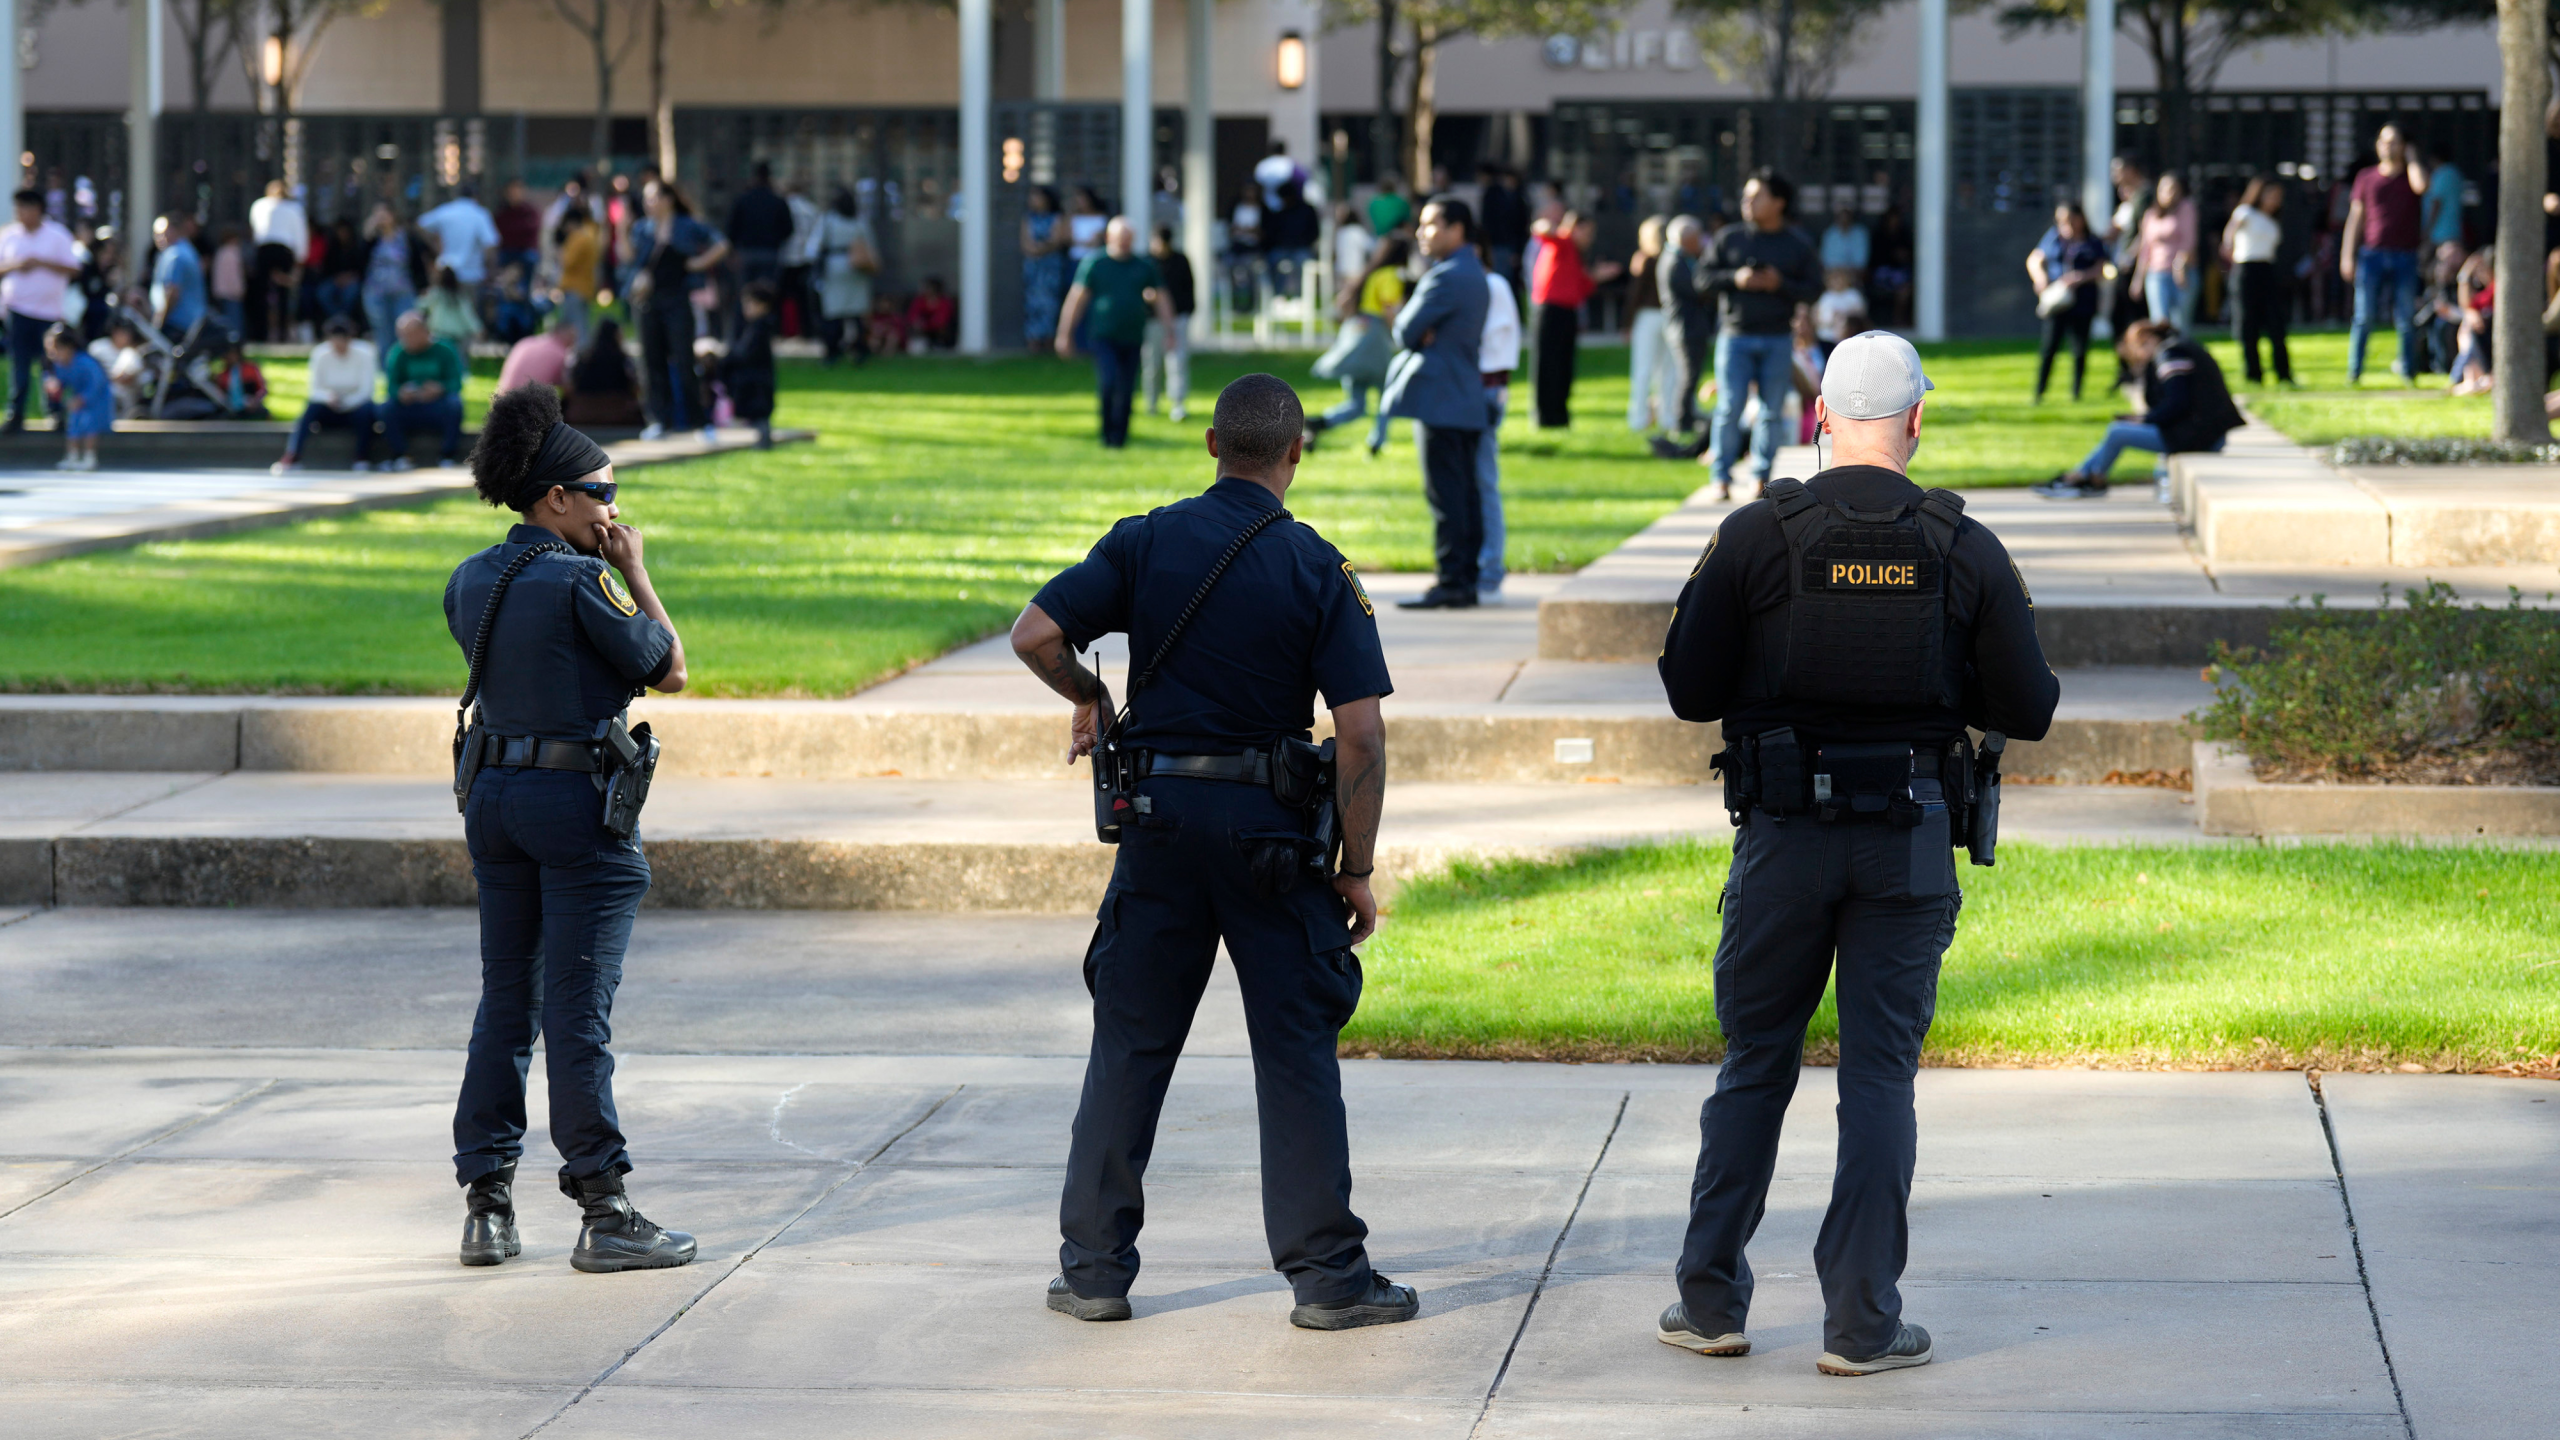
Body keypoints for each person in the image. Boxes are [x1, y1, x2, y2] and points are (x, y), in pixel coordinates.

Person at [1656, 328, 2058, 1380]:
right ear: (1917, 421)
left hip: (1784, 840)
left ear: (1819, 417)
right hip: (1909, 841)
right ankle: (1861, 1326)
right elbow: (2031, 705)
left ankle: (1709, 1304)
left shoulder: (1757, 535)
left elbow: (1690, 688)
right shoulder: (1960, 544)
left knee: (1754, 1066)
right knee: (1878, 1077)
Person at [1007, 370, 1414, 1334]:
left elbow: (1036, 633)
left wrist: (1092, 699)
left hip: (1156, 827)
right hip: (1271, 839)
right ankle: (1327, 1279)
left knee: (1132, 1042)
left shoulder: (1146, 539)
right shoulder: (1316, 565)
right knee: (1294, 1049)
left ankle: (1095, 1271)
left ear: (1210, 446)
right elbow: (1359, 735)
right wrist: (1355, 864)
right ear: (1296, 453)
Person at [445, 382, 693, 1277]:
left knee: (505, 1003)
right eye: (604, 493)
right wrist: (636, 570)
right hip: (573, 811)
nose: (615, 510)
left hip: (495, 804)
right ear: (557, 498)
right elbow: (670, 671)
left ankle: (487, 1206)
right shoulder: (585, 578)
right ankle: (604, 1209)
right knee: (577, 1013)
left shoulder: (471, 576)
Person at [1381, 196, 1490, 610]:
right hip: (1463, 397)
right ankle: (1465, 579)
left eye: (1429, 225)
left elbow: (1405, 331)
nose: (1420, 233)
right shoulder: (1471, 271)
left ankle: (1452, 581)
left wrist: (1416, 325)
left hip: (1443, 399)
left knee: (1447, 496)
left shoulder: (1446, 276)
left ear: (1456, 229)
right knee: (1464, 493)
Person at [1703, 169, 1821, 501]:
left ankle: (1761, 478)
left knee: (1772, 410)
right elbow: (1702, 280)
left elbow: (1815, 289)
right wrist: (1735, 278)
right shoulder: (1729, 238)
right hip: (1735, 336)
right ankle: (1721, 478)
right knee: (1729, 407)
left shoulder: (1797, 244)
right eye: (1746, 196)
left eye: (1756, 196)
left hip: (1777, 338)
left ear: (1779, 203)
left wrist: (1779, 284)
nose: (1747, 202)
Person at [2033, 319, 2241, 501]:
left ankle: (2085, 479)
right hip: (2204, 433)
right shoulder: (2178, 348)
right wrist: (2144, 418)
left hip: (2201, 436)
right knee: (2119, 429)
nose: (2139, 358)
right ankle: (2085, 475)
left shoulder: (2170, 354)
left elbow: (2178, 403)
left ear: (2149, 339)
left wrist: (2145, 420)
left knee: (2118, 432)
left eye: (2137, 350)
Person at [1054, 216, 1174, 449]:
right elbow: (1077, 299)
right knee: (1109, 382)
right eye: (1120, 239)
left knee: (1127, 386)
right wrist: (1064, 333)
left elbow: (1162, 299)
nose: (1124, 243)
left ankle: (1121, 437)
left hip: (1132, 335)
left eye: (1128, 239)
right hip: (1103, 334)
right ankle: (1106, 432)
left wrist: (1170, 331)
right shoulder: (1095, 263)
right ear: (1109, 238)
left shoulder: (1144, 266)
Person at [625, 179, 731, 442]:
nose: (648, 203)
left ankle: (699, 421)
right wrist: (618, 229)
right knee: (652, 361)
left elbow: (721, 244)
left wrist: (698, 264)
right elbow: (628, 259)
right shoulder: (641, 228)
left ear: (668, 199)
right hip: (648, 301)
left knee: (684, 359)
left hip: (677, 299)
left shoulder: (687, 225)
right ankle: (660, 420)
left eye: (653, 197)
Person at [1305, 234, 1409, 450]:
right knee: (1385, 395)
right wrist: (1399, 336)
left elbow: (1341, 302)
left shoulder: (1367, 273)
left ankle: (1318, 423)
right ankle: (1377, 441)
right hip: (1374, 340)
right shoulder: (1390, 275)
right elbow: (1390, 310)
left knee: (1357, 403)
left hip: (1355, 333)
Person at [2343, 124, 2424, 386]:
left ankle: (2408, 372)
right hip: (2371, 255)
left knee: (2405, 318)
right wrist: (2348, 254)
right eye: (2384, 141)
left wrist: (2412, 159)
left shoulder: (2411, 176)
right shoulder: (2365, 177)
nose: (2389, 146)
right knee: (2363, 317)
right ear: (2377, 145)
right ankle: (2354, 372)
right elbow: (2356, 217)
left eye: (2395, 141)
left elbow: (2422, 186)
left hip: (2405, 255)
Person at [1, 187, 82, 435]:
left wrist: (41, 263)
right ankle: (17, 414)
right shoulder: (8, 236)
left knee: (52, 366)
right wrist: (17, 265)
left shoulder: (57, 235)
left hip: (48, 313)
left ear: (37, 209)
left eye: (25, 208)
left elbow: (75, 269)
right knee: (20, 364)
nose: (21, 214)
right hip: (18, 311)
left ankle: (56, 412)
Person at [1527, 211, 1618, 429]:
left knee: (1564, 365)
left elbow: (1580, 288)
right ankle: (1544, 417)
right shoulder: (1562, 242)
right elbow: (1541, 230)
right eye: (1585, 232)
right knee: (1547, 365)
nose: (1588, 238)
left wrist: (1597, 276)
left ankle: (1560, 416)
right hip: (1549, 310)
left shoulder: (1576, 254)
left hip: (1568, 312)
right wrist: (1551, 226)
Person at [274, 315, 381, 473]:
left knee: (367, 410)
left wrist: (345, 403)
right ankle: (293, 455)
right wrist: (328, 398)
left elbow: (366, 391)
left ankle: (361, 458)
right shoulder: (320, 354)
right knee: (310, 409)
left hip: (356, 409)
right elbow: (315, 389)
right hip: (329, 408)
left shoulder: (365, 354)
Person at [1478, 238, 1523, 603]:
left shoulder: (1491, 285)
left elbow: (1486, 342)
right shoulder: (1489, 285)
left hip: (1485, 389)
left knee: (1483, 481)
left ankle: (1490, 571)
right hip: (1480, 389)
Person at [2026, 202, 2107, 402]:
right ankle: (2039, 392)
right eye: (2061, 220)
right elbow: (2034, 259)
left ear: (2080, 218)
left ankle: (2076, 393)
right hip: (2058, 301)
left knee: (2080, 349)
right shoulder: (2054, 237)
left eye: (2070, 219)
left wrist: (2082, 276)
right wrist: (2040, 279)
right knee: (2049, 348)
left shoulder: (2092, 241)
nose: (2066, 224)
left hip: (2083, 300)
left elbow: (2102, 267)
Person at [2223, 177, 2292, 387]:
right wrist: (2231, 259)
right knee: (2247, 324)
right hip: (2246, 269)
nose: (2274, 200)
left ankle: (2283, 374)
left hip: (2267, 270)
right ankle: (2253, 373)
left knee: (2276, 323)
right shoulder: (2245, 213)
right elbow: (2228, 238)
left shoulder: (2273, 220)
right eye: (2270, 194)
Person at [382, 311, 468, 471]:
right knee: (387, 407)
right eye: (402, 335)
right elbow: (391, 387)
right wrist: (400, 393)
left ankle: (447, 454)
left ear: (425, 332)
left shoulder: (445, 350)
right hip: (410, 406)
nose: (406, 339)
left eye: (410, 334)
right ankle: (400, 455)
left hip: (437, 405)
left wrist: (440, 388)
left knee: (455, 404)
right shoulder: (398, 352)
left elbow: (456, 383)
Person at [1657, 214, 1712, 447]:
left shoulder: (1679, 259)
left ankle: (1686, 418)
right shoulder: (1673, 262)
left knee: (1690, 376)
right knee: (1687, 377)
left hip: (1688, 327)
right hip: (1685, 329)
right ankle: (1682, 422)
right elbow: (1698, 290)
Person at [813, 188, 879, 365]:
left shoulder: (828, 220)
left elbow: (815, 246)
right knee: (856, 313)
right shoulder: (859, 221)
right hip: (856, 268)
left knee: (833, 314)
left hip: (834, 267)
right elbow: (870, 245)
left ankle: (832, 352)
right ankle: (860, 351)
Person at [1141, 226, 1195, 422]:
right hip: (1152, 320)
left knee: (1177, 362)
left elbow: (1189, 288)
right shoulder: (1146, 262)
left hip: (1177, 318)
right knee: (1151, 363)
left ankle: (1178, 403)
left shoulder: (1180, 261)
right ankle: (1151, 403)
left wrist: (1185, 313)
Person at [716, 280, 779, 447]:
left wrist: (725, 358)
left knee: (759, 420)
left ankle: (763, 443)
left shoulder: (761, 327)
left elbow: (745, 353)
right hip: (755, 383)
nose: (746, 308)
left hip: (756, 384)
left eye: (751, 304)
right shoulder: (753, 326)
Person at [725, 162, 796, 311]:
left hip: (746, 254)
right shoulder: (777, 201)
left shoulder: (743, 200)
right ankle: (765, 328)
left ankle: (743, 330)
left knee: (745, 296)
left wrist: (733, 252)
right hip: (770, 253)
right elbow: (789, 229)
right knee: (767, 295)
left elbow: (731, 229)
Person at [1625, 217, 1673, 434]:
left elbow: (1634, 294)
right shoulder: (1673, 259)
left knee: (1643, 369)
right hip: (1669, 317)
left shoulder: (1644, 259)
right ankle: (1667, 417)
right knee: (1667, 370)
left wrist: (1626, 322)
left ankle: (1638, 418)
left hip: (1648, 316)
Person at [43, 323, 111, 471]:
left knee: (90, 427)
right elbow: (58, 380)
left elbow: (97, 383)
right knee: (73, 426)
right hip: (77, 399)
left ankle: (89, 457)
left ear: (67, 347)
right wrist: (53, 384)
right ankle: (72, 456)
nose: (52, 355)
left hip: (96, 400)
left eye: (55, 350)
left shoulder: (85, 363)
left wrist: (83, 398)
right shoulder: (60, 365)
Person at [2136, 172, 2196, 331]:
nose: (2170, 193)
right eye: (2165, 189)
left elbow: (2188, 240)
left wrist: (2179, 266)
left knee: (2180, 324)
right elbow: (2145, 248)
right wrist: (2138, 278)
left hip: (2182, 274)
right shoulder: (2151, 214)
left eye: (2173, 189)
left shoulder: (2186, 208)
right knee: (2159, 322)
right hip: (2156, 273)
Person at [250, 180, 308, 343]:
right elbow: (300, 235)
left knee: (262, 294)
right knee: (282, 294)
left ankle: (260, 334)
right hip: (283, 251)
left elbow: (255, 229)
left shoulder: (259, 205)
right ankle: (280, 334)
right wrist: (300, 260)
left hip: (264, 250)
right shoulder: (294, 208)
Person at [565, 317, 647, 428]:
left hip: (582, 414)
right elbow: (635, 387)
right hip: (620, 414)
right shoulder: (623, 359)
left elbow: (570, 386)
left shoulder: (582, 357)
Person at [362, 203, 420, 361]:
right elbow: (357, 261)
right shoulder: (371, 240)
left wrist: (423, 286)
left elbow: (418, 263)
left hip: (403, 291)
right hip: (376, 292)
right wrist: (367, 234)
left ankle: (405, 366)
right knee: (382, 332)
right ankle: (385, 368)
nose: (381, 218)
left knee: (406, 331)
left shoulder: (406, 237)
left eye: (384, 214)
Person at [419, 183, 500, 289]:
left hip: (446, 273)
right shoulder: (480, 214)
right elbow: (490, 244)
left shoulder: (446, 211)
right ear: (475, 197)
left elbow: (420, 224)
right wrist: (491, 271)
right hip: (472, 275)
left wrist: (434, 246)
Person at [1022, 186, 1071, 353]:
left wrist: (1040, 249)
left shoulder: (1057, 218)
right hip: (1033, 269)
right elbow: (1026, 242)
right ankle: (1033, 343)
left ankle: (1050, 343)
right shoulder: (1029, 218)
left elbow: (1057, 240)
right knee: (1033, 306)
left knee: (1050, 305)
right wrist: (1034, 250)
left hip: (1050, 268)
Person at [151, 211, 207, 340]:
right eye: (156, 234)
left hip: (177, 324)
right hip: (193, 322)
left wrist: (159, 321)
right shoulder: (189, 250)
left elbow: (172, 292)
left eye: (163, 233)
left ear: (175, 231)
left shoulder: (175, 255)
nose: (159, 238)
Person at [499, 312, 580, 394]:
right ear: (566, 335)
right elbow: (568, 389)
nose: (574, 341)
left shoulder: (526, 342)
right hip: (529, 403)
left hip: (502, 399)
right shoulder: (561, 355)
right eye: (573, 337)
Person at [552, 204, 601, 342]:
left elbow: (567, 262)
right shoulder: (590, 235)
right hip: (585, 288)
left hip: (574, 288)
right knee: (581, 325)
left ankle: (581, 359)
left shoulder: (578, 238)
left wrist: (559, 252)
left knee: (577, 330)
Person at [493, 180, 543, 295]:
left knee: (530, 259)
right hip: (507, 252)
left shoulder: (530, 211)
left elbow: (530, 231)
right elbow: (499, 232)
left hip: (525, 252)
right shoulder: (502, 212)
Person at [2412, 141, 2464, 253]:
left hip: (2438, 234)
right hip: (2454, 231)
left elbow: (2436, 203)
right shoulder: (2456, 174)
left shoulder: (2440, 174)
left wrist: (2427, 230)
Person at [422, 264, 485, 352]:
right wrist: (478, 329)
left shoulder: (434, 294)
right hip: (451, 338)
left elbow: (421, 305)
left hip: (442, 337)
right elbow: (469, 316)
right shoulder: (459, 297)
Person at [1812, 267, 1869, 355]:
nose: (1837, 282)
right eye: (1834, 279)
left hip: (1850, 337)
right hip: (1827, 337)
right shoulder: (1826, 297)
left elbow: (1860, 314)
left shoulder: (1853, 295)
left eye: (1840, 278)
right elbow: (1818, 316)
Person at [208, 226, 249, 339]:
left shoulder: (220, 252)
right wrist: (240, 290)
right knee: (235, 320)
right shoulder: (233, 252)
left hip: (220, 291)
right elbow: (234, 275)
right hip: (232, 292)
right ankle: (235, 341)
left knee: (225, 319)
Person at [1818, 203, 1870, 281]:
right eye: (1841, 216)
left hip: (1854, 275)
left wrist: (1847, 272)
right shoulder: (1830, 233)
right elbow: (1825, 260)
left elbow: (1861, 262)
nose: (1844, 219)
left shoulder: (1860, 233)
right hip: (1833, 274)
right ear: (1836, 218)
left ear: (1851, 217)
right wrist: (1837, 272)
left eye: (1846, 216)